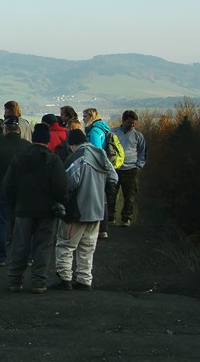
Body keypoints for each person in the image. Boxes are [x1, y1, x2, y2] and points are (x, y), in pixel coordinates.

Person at [2, 124, 67, 294]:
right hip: (47, 211)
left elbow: (8, 186)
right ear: (47, 140)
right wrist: (59, 201)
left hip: (23, 209)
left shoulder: (19, 159)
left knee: (20, 245)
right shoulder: (53, 161)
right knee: (43, 246)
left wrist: (16, 201)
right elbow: (61, 188)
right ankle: (38, 282)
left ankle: (15, 280)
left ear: (33, 138)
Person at [51, 128, 117, 291]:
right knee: (87, 247)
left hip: (77, 210)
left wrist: (59, 200)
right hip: (97, 209)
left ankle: (65, 278)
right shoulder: (100, 154)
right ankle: (84, 279)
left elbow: (68, 183)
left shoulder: (78, 157)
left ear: (72, 144)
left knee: (66, 245)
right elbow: (114, 177)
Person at [0, 117, 31, 267]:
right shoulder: (27, 146)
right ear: (19, 130)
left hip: (2, 190)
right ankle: (27, 257)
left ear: (5, 130)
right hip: (23, 191)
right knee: (24, 225)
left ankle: (0, 257)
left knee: (1, 223)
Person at [110, 110, 147, 227]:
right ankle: (110, 217)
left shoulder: (138, 136)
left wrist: (139, 166)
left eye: (134, 123)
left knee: (129, 196)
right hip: (114, 169)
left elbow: (143, 152)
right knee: (111, 195)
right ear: (123, 121)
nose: (132, 125)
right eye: (130, 123)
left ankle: (126, 218)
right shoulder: (113, 133)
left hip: (131, 169)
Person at [82, 107, 113, 238]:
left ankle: (99, 228)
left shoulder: (94, 131)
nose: (83, 119)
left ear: (91, 116)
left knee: (98, 197)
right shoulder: (103, 129)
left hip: (96, 167)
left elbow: (96, 151)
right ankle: (103, 228)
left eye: (85, 116)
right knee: (102, 197)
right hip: (104, 167)